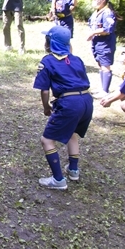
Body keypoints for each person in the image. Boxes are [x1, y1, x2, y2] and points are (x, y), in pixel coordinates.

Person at [33, 26, 93, 190]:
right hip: (87, 101)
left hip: (69, 104)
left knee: (46, 140)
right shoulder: (77, 59)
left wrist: (46, 108)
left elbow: (45, 90)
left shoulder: (47, 61)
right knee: (72, 133)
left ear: (49, 43)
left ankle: (58, 180)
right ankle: (73, 170)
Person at [87, 0, 118, 99]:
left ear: (103, 0)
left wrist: (93, 33)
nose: (93, 0)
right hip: (97, 42)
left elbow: (107, 29)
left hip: (105, 43)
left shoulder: (107, 13)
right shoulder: (97, 12)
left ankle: (105, 91)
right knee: (100, 64)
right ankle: (102, 88)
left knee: (105, 66)